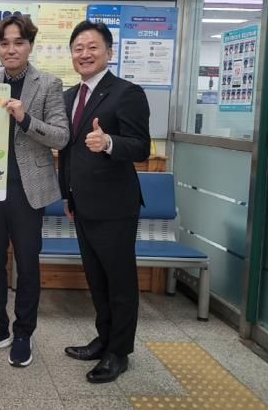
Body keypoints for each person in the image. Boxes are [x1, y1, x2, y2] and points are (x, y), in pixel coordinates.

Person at [0, 15, 69, 367]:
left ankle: (24, 332)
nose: (11, 49)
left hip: (29, 190)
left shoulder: (49, 84)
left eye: (19, 42)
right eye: (4, 43)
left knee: (27, 263)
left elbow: (61, 136)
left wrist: (25, 119)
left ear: (30, 45)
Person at [58, 20, 150, 384]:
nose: (85, 54)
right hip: (82, 204)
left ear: (109, 52)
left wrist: (109, 142)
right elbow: (67, 151)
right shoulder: (69, 96)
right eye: (78, 48)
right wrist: (67, 194)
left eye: (92, 47)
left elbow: (141, 147)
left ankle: (118, 352)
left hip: (115, 206)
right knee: (96, 280)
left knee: (120, 282)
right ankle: (104, 338)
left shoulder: (127, 93)